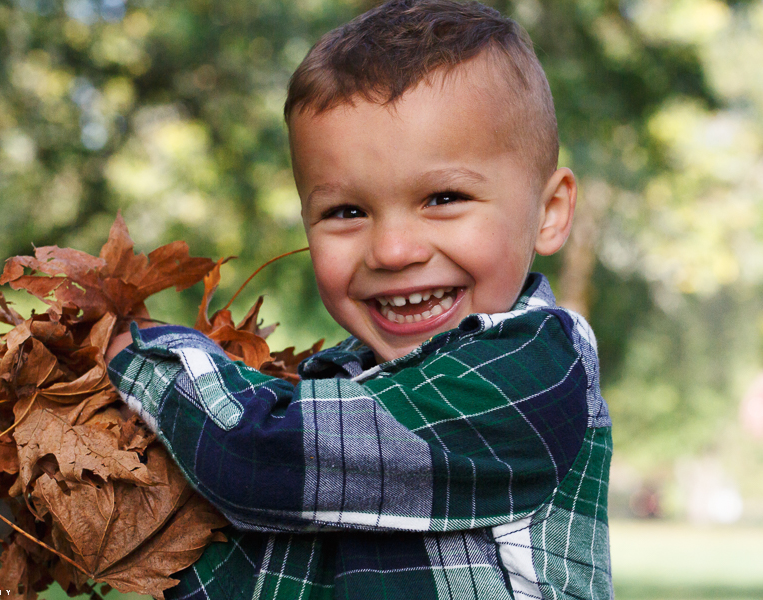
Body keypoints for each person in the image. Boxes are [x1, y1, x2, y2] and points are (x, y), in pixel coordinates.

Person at [105, 0, 613, 598]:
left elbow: (257, 459)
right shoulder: (335, 388)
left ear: (549, 214)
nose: (393, 250)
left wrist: (138, 356)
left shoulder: (535, 368)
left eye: (444, 197)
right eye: (346, 211)